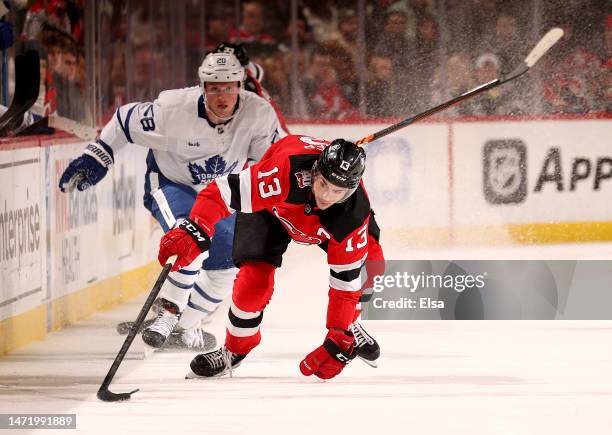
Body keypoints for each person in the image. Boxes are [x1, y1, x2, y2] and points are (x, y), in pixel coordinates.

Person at [58, 51, 284, 352]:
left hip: (219, 194)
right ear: (202, 87)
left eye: (229, 87)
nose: (222, 95)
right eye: (214, 88)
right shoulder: (173, 110)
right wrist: (99, 154)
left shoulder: (258, 113)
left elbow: (260, 165)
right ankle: (167, 315)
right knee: (189, 235)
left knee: (230, 262)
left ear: (241, 85)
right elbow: (125, 120)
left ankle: (186, 327)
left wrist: (264, 207)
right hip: (171, 185)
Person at [157, 135, 384, 379]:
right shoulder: (283, 173)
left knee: (372, 266)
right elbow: (220, 192)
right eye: (322, 184)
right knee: (252, 287)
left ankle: (350, 325)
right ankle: (233, 351)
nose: (326, 196)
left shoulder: (353, 215)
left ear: (351, 190)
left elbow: (345, 284)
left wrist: (338, 331)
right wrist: (197, 226)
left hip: (320, 225)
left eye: (337, 191)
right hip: (272, 211)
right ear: (315, 172)